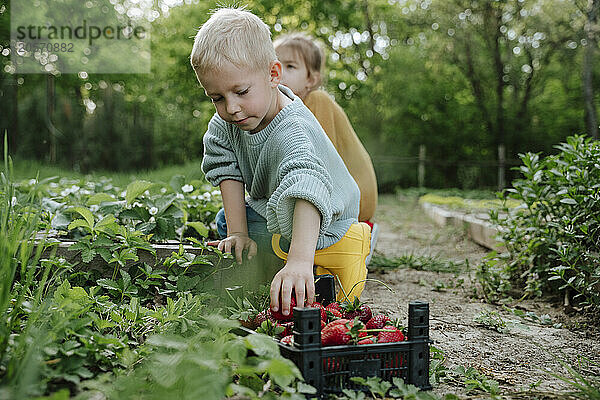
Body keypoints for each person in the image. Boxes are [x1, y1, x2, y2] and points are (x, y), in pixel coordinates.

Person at [190, 7, 371, 317]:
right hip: (274, 206)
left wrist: (299, 262)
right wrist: (238, 233)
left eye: (241, 92)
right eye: (217, 97)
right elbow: (226, 169)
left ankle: (338, 250)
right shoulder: (227, 124)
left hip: (327, 216)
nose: (231, 107)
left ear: (273, 75)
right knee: (227, 224)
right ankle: (277, 261)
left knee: (314, 261)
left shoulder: (293, 130)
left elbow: (308, 190)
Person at [273, 33, 379, 263]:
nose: (280, 71)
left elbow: (317, 165)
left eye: (290, 66)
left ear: (311, 79)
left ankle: (356, 237)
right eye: (274, 63)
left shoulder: (316, 101)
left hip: (355, 203)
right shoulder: (283, 110)